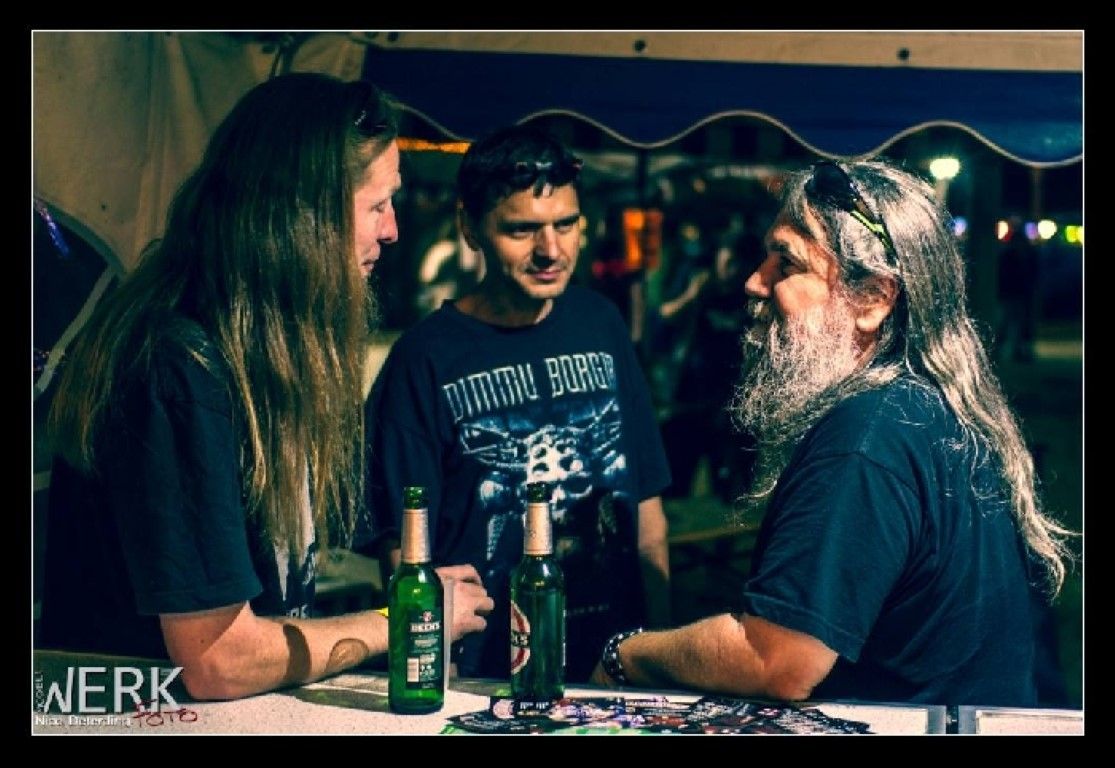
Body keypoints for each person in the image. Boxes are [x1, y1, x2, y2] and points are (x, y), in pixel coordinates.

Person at [38, 73, 493, 701]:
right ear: (307, 214)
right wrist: (406, 618)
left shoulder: (258, 350)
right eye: (377, 205)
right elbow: (218, 659)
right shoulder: (179, 364)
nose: (392, 230)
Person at [590, 159, 1073, 707]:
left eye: (787, 263)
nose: (755, 282)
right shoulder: (923, 406)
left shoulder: (866, 437)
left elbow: (777, 659)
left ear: (873, 300)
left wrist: (626, 656)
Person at [365, 125, 672, 682]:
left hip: (610, 670)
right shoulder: (424, 358)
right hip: (484, 678)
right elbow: (403, 553)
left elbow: (646, 510)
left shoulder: (601, 324)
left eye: (565, 224)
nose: (550, 250)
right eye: (521, 229)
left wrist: (660, 651)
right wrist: (437, 682)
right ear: (470, 228)